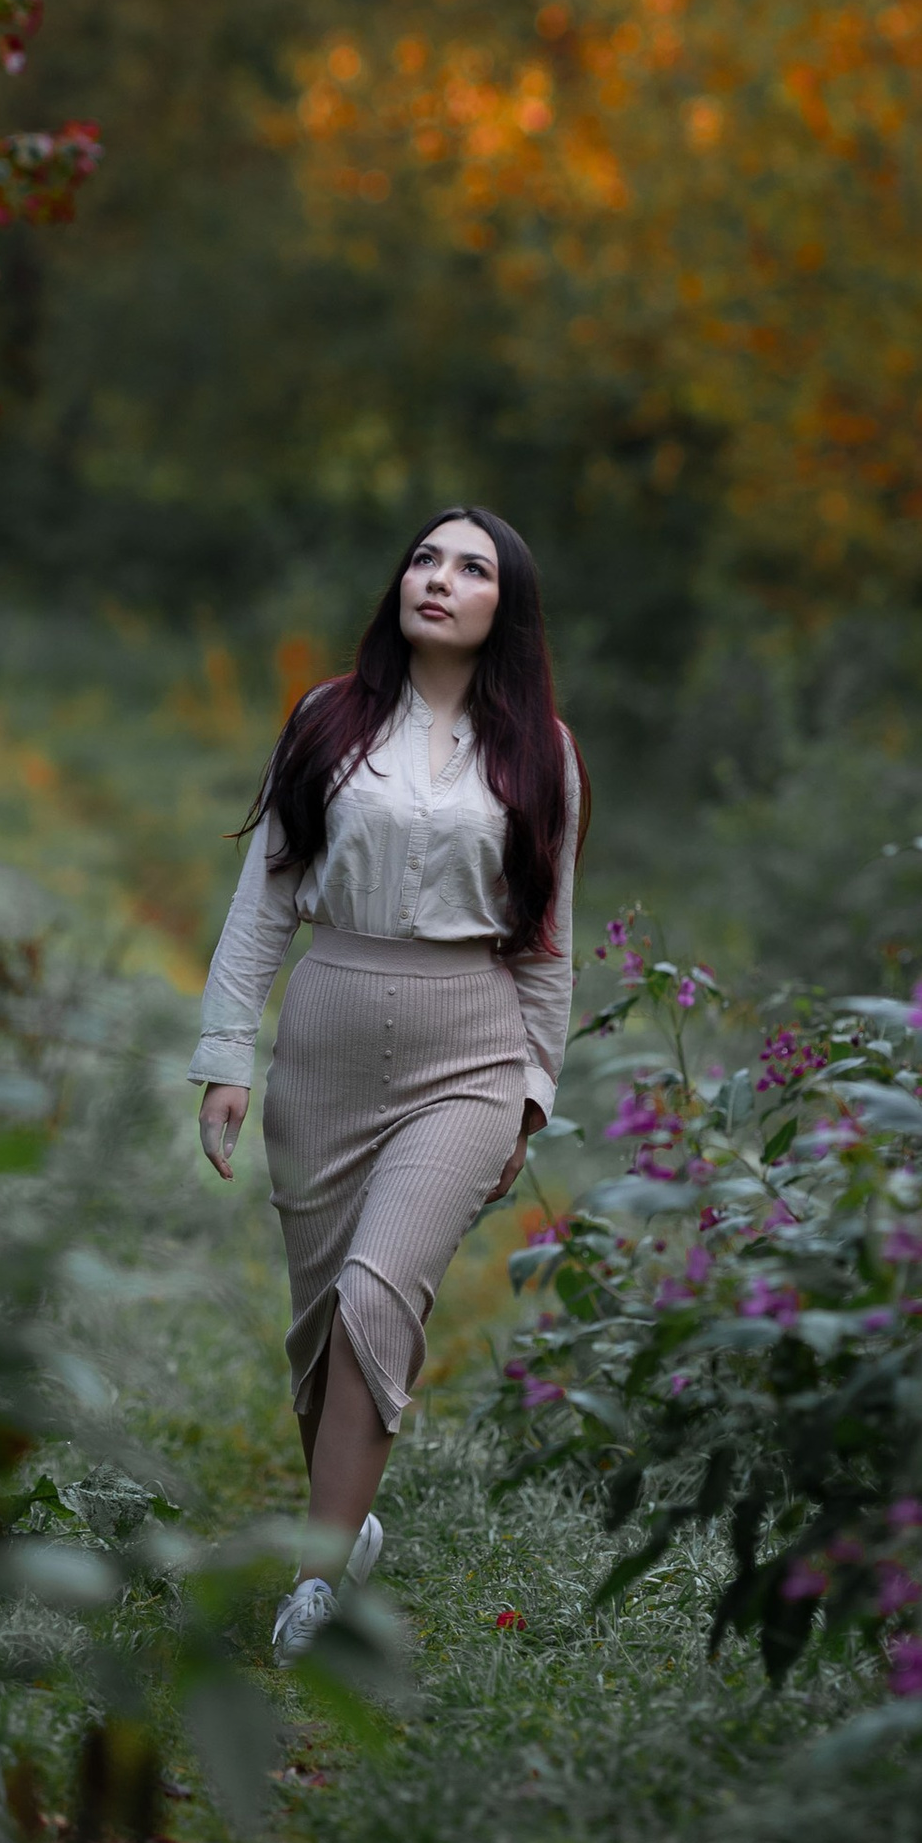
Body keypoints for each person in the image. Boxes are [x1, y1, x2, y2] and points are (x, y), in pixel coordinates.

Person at [195, 505, 588, 1658]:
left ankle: (319, 1587)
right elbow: (265, 899)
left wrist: (532, 1086)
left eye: (471, 569)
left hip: (467, 1047)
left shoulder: (541, 753)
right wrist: (227, 1054)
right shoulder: (328, 718)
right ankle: (343, 1519)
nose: (440, 579)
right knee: (323, 1329)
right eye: (426, 558)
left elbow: (550, 937)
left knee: (377, 1298)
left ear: (501, 608)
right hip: (321, 1042)